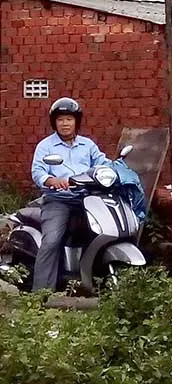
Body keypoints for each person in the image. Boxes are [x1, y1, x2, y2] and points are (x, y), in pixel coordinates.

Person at [30, 97, 109, 291]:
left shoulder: (88, 145)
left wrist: (115, 169)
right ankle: (40, 295)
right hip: (59, 200)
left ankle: (97, 284)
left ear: (76, 121)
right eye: (60, 120)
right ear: (54, 123)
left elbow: (102, 163)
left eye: (69, 119)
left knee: (104, 233)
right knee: (51, 241)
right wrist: (52, 180)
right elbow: (38, 171)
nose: (65, 124)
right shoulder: (46, 146)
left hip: (88, 199)